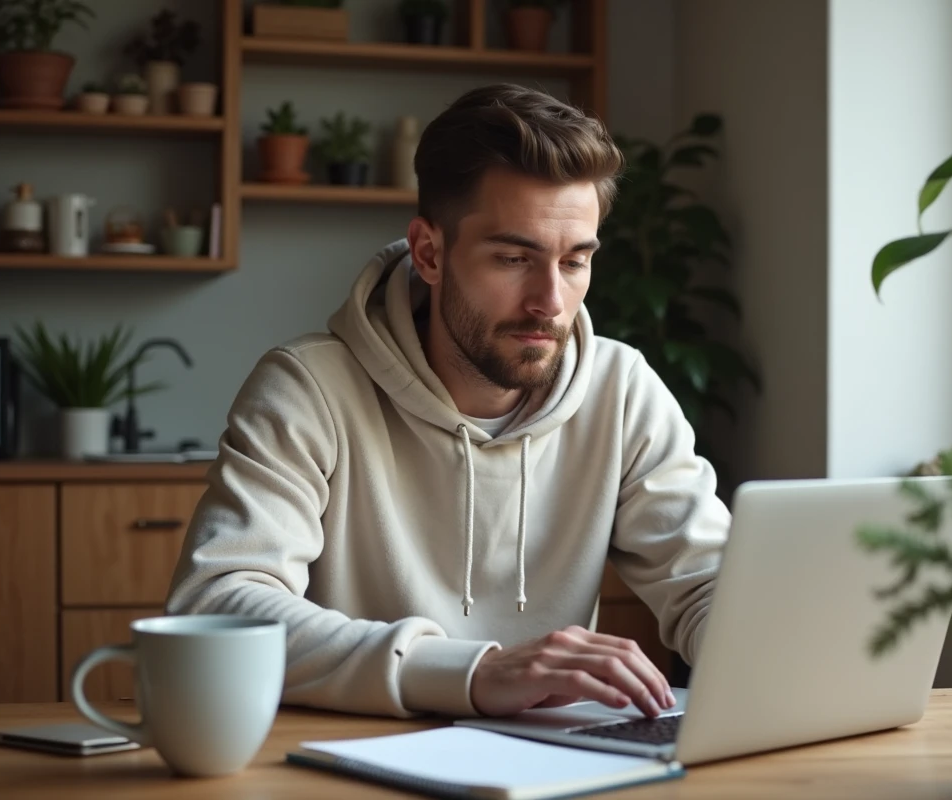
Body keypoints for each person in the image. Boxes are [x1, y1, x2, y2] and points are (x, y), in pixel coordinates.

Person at [166, 83, 730, 721]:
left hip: (555, 766)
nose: (551, 300)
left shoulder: (621, 392)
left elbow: (713, 587)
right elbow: (217, 604)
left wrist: (768, 651)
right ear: (430, 253)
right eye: (515, 257)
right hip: (348, 757)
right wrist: (473, 672)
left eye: (575, 262)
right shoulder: (308, 388)